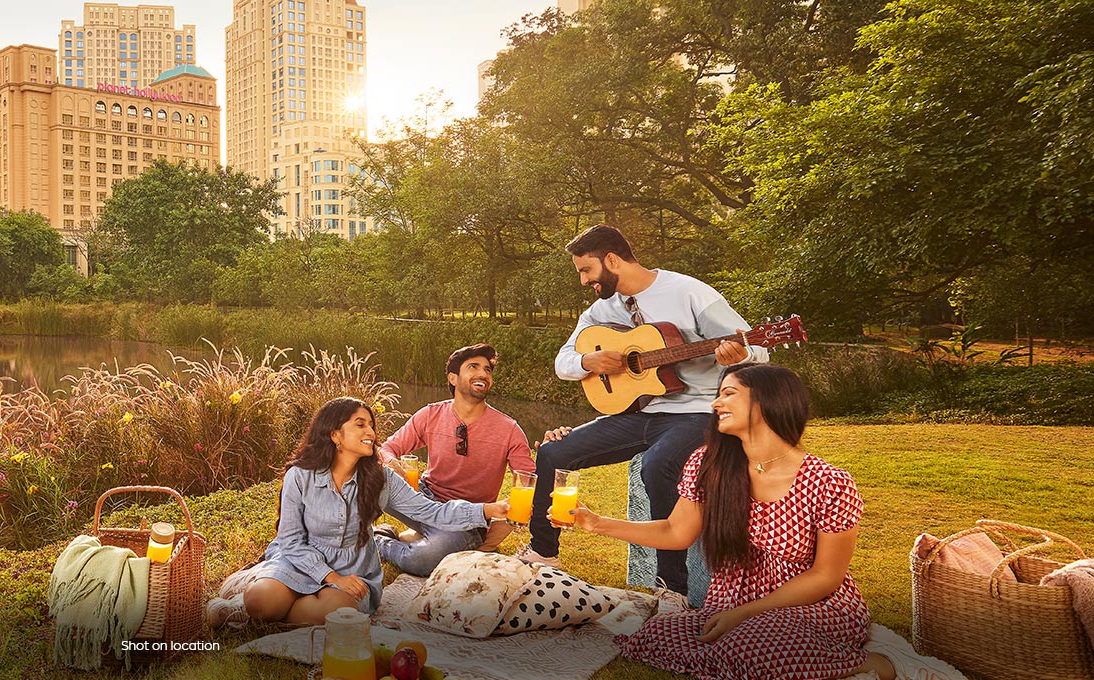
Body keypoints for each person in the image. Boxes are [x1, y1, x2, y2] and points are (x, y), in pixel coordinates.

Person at [558, 364, 891, 680]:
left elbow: (826, 575)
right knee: (656, 634)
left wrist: (747, 614)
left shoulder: (829, 481)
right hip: (730, 604)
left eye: (729, 393)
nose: (716, 402)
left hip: (810, 604)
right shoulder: (709, 463)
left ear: (768, 402)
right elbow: (676, 531)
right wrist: (596, 523)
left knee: (749, 647)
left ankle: (874, 664)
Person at [515, 224, 769, 600]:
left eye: (587, 270)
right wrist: (590, 360)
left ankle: (672, 589)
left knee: (657, 465)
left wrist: (741, 354)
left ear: (612, 260)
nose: (584, 280)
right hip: (638, 413)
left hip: (696, 411)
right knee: (553, 452)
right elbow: (563, 362)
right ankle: (545, 551)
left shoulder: (690, 292)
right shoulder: (601, 311)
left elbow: (759, 351)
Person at [207, 397, 509, 626]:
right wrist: (329, 577)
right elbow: (289, 540)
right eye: (360, 424)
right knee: (261, 602)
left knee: (337, 613)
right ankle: (259, 598)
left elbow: (431, 512)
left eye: (371, 425)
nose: (371, 432)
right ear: (335, 435)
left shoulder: (381, 478)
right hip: (300, 558)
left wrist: (484, 510)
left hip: (353, 568)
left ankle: (264, 606)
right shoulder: (300, 475)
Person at [372, 344, 536, 576]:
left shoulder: (509, 430)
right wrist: (391, 464)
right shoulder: (431, 414)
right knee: (373, 476)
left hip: (468, 519)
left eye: (488, 370)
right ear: (453, 378)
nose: (483, 374)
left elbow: (528, 483)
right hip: (423, 500)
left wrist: (499, 527)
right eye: (473, 367)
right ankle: (420, 535)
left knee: (426, 559)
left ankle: (379, 541)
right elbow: (388, 448)